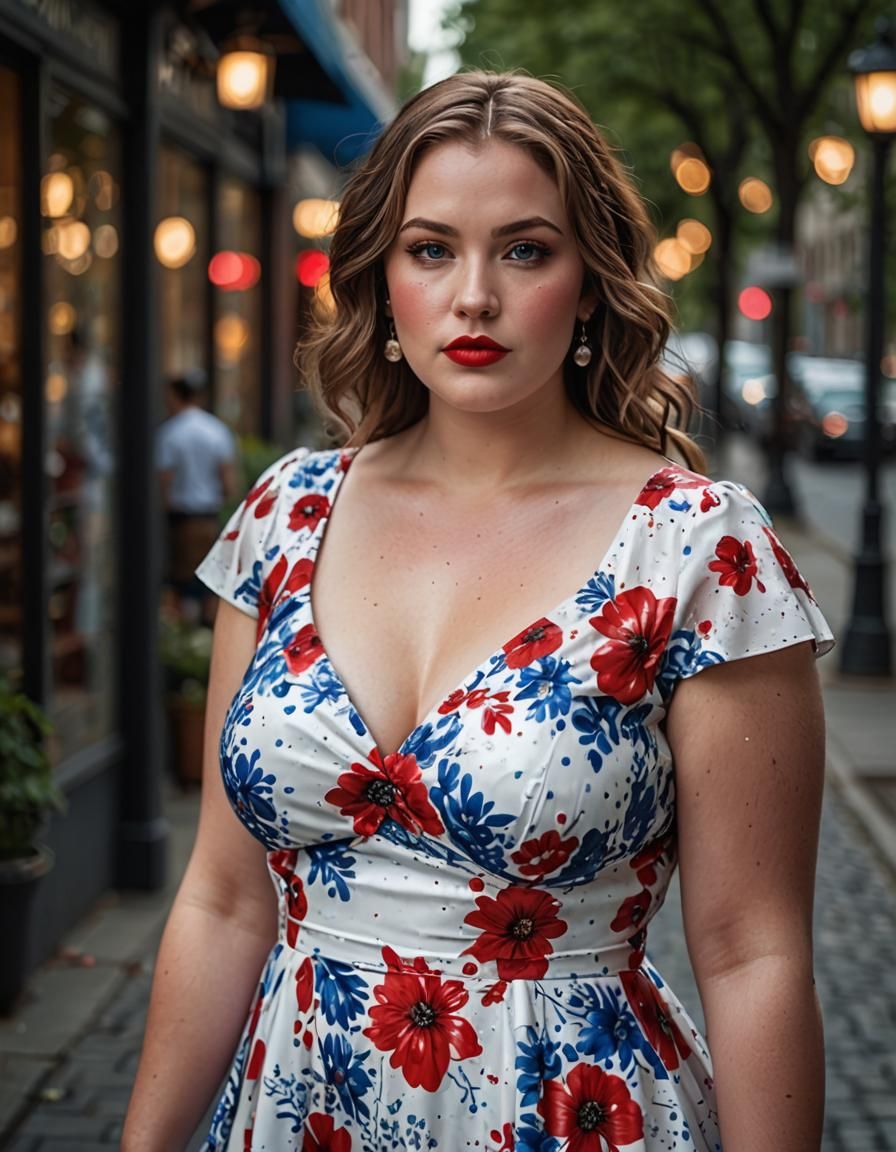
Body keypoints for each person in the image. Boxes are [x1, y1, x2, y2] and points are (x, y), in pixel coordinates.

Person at [123, 72, 834, 1152]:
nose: (472, 297)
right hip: (295, 1109)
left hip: (566, 1113)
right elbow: (222, 902)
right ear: (382, 276)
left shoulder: (696, 546)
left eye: (523, 250)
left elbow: (751, 951)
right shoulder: (286, 517)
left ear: (589, 283)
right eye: (430, 249)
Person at [155, 372, 238, 625]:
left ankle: (184, 642)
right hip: (209, 517)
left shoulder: (170, 432)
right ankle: (205, 640)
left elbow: (164, 481)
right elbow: (228, 482)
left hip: (181, 518)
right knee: (210, 585)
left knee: (179, 584)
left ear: (174, 396)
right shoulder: (217, 430)